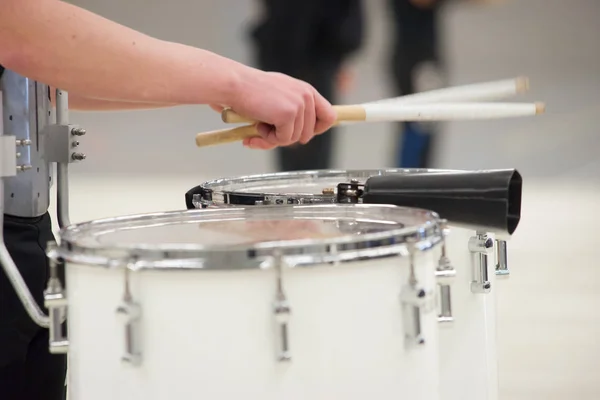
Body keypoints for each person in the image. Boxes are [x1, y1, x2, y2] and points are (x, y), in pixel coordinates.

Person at [0, 1, 337, 399]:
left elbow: (46, 73)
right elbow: (18, 29)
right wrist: (234, 82)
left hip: (26, 235)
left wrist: (217, 87)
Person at [249, 0, 364, 171]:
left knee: (307, 144)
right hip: (303, 57)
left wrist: (340, 59)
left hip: (313, 55)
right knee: (299, 144)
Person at [388, 0, 446, 168]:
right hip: (414, 61)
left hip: (423, 60)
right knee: (416, 128)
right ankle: (406, 186)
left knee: (425, 130)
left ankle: (416, 184)